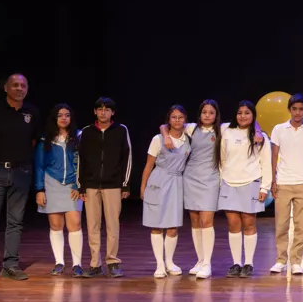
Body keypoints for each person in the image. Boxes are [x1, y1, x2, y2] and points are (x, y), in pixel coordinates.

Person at [0, 73, 43, 282]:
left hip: (21, 172)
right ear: (6, 88)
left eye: (23, 85)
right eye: (15, 85)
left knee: (15, 221)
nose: (19, 88)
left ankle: (10, 265)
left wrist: (19, 159)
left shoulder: (32, 112)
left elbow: (34, 141)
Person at [77, 96, 132, 278]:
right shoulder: (87, 131)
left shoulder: (121, 130)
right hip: (91, 185)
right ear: (95, 111)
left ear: (112, 112)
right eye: (100, 109)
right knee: (92, 225)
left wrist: (125, 184)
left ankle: (113, 262)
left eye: (107, 109)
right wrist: (81, 186)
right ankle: (95, 264)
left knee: (112, 225)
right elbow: (81, 159)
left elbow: (127, 157)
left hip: (113, 185)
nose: (103, 112)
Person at [269, 93, 303, 275]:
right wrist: (273, 180)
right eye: (294, 109)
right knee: (281, 225)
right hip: (283, 182)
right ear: (289, 110)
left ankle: (296, 261)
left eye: (301, 109)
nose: (297, 112)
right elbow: (274, 155)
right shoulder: (279, 129)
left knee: (302, 226)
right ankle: (281, 260)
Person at [219, 100, 271, 278]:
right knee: (233, 224)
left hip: (251, 182)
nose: (243, 116)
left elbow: (266, 163)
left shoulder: (261, 137)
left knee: (249, 224)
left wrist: (264, 187)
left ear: (253, 115)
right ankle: (236, 263)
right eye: (239, 113)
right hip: (229, 183)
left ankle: (248, 263)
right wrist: (221, 180)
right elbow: (222, 158)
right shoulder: (226, 131)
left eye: (247, 113)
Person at [140, 105, 192, 278]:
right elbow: (148, 165)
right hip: (158, 181)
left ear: (185, 119)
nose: (177, 120)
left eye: (180, 117)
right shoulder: (158, 139)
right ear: (168, 120)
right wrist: (143, 187)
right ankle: (159, 264)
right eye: (173, 117)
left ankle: (169, 262)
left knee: (173, 226)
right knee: (156, 225)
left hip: (176, 183)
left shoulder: (188, 138)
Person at [33, 103, 83, 277]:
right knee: (56, 225)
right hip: (52, 184)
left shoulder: (78, 137)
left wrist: (79, 185)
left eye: (67, 115)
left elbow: (84, 163)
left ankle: (77, 264)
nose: (64, 118)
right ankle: (59, 262)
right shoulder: (45, 139)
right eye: (60, 115)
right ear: (54, 118)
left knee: (75, 223)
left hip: (72, 185)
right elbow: (39, 165)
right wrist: (40, 189)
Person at [178, 100, 222, 279]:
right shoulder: (191, 128)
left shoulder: (222, 130)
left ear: (216, 115)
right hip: (191, 178)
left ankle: (207, 263)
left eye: (211, 112)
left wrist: (257, 131)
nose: (207, 115)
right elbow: (165, 126)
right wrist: (165, 135)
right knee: (195, 220)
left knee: (206, 220)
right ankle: (200, 260)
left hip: (210, 179)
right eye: (204, 112)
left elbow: (251, 123)